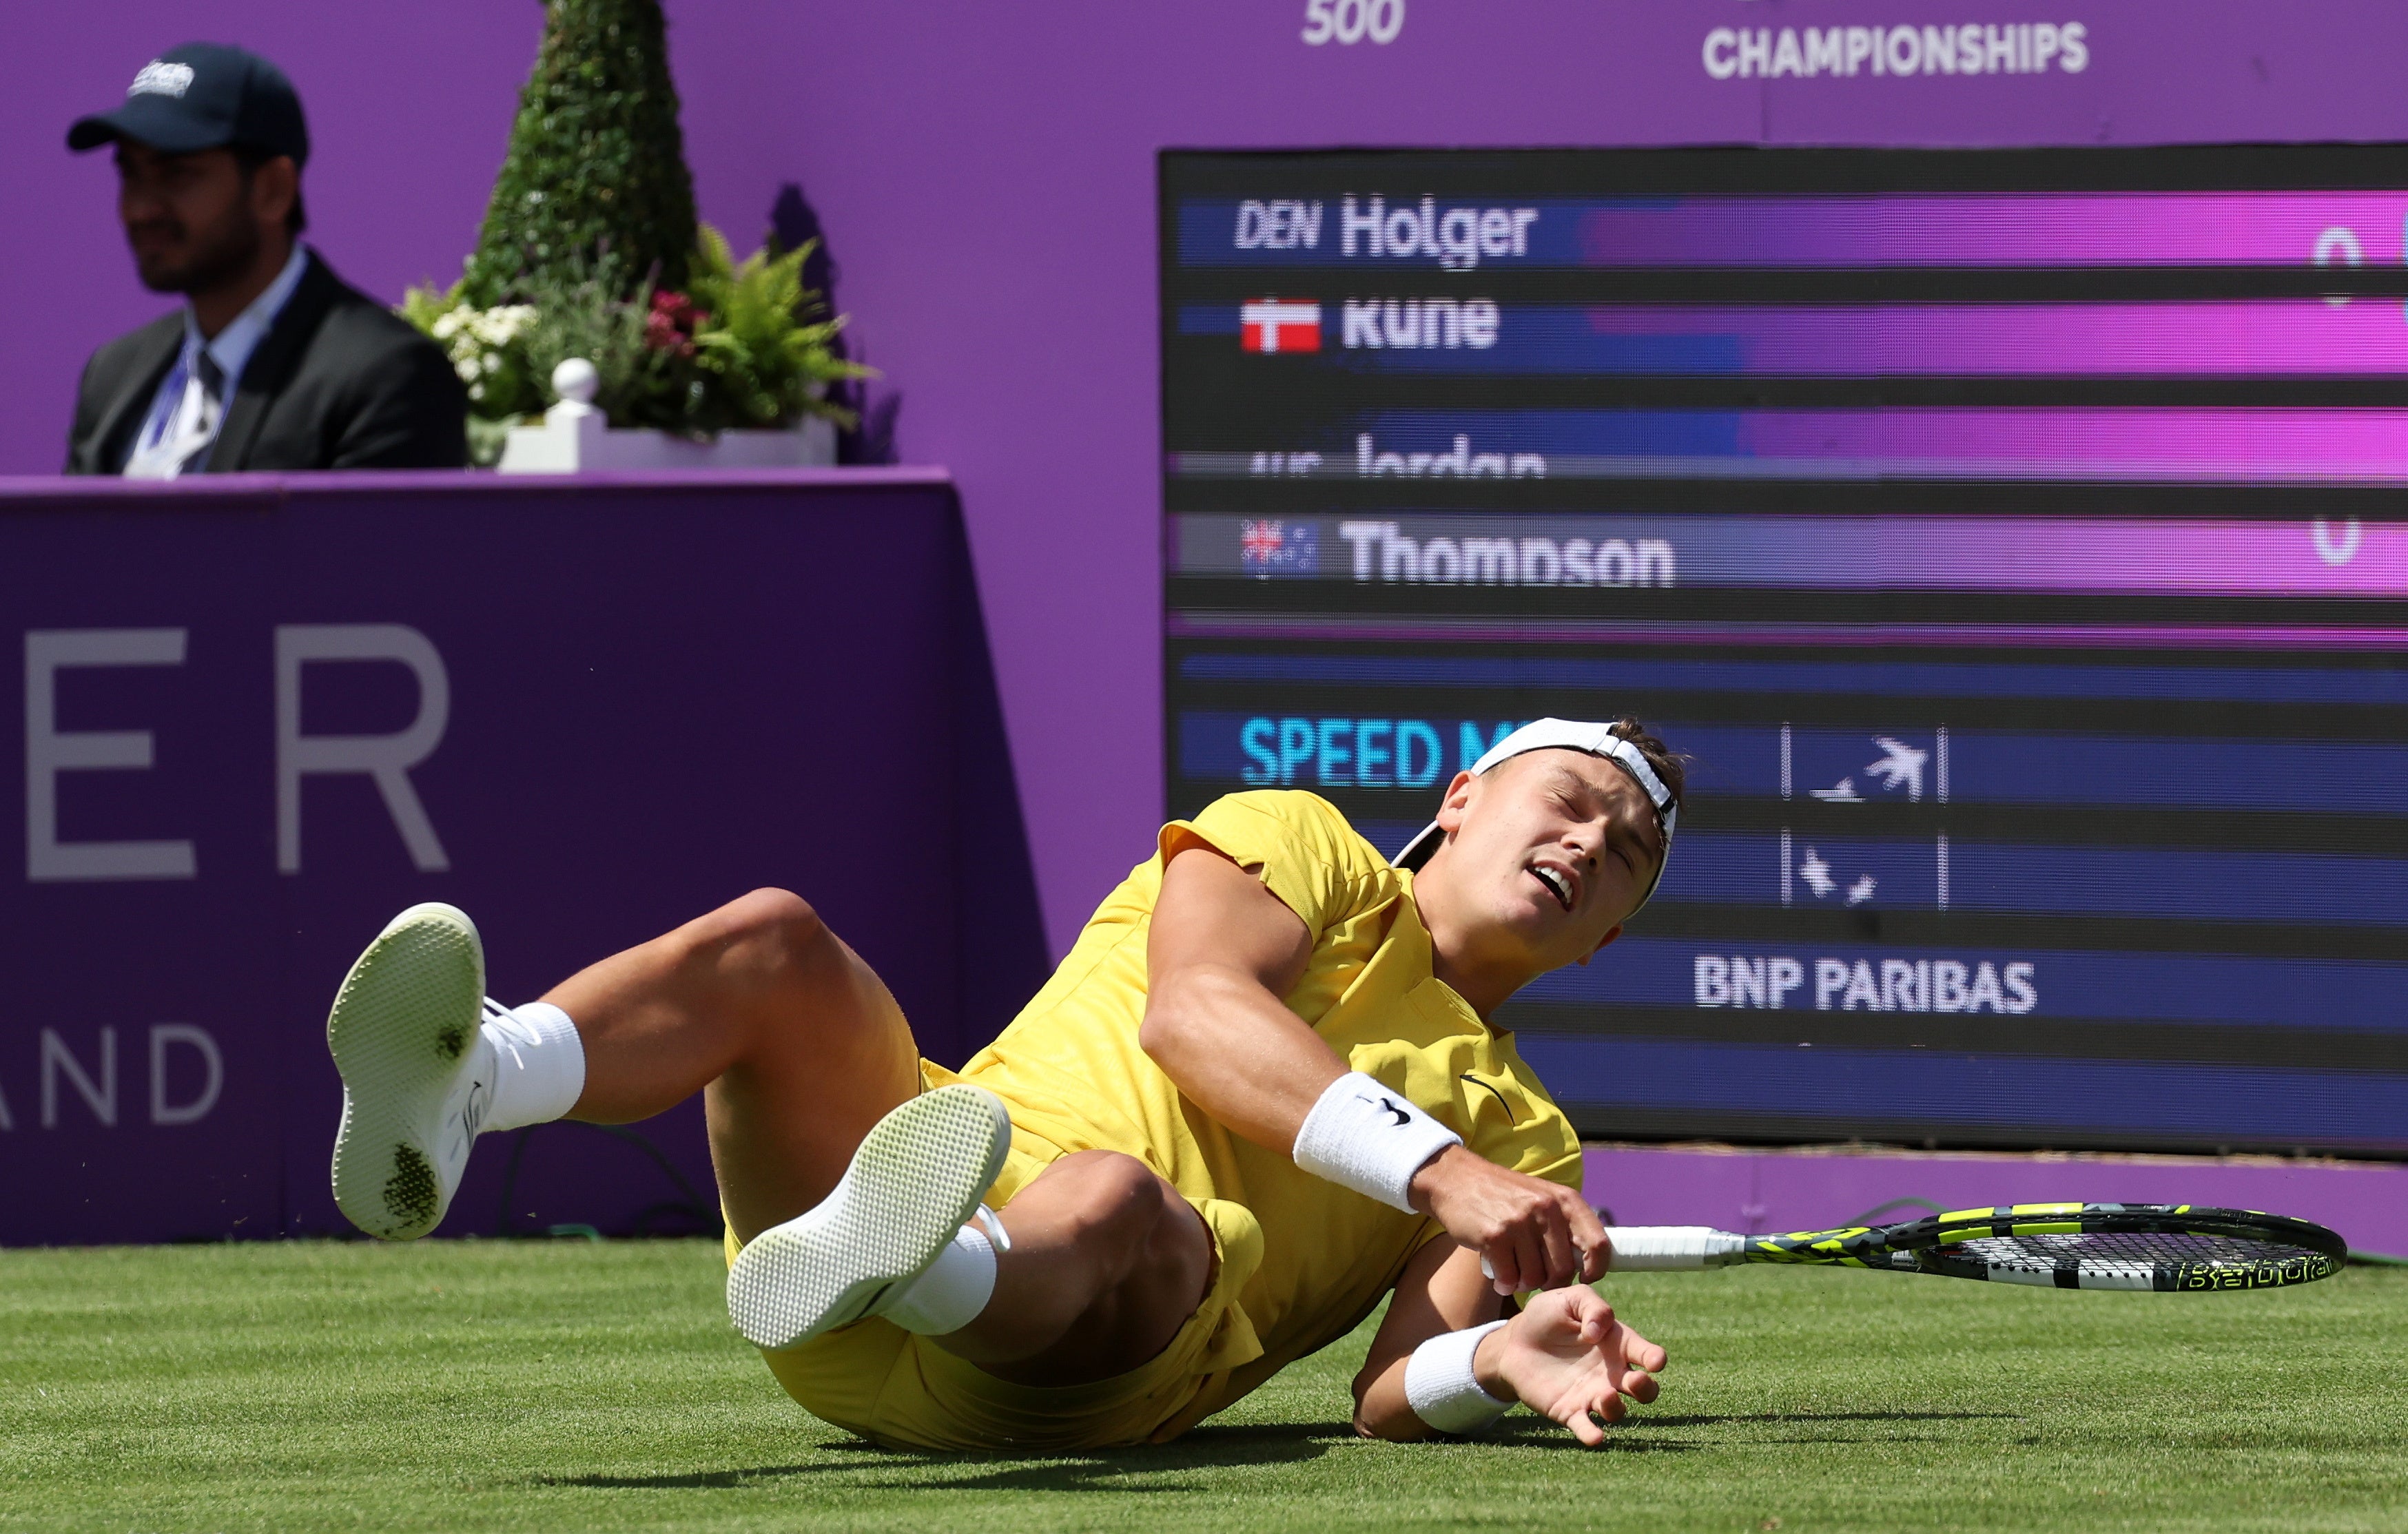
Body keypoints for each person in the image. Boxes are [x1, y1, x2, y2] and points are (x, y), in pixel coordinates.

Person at [325, 717, 1682, 1449]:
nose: (1585, 839)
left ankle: (933, 1256)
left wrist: (1493, 1356)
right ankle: (475, 1086)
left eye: (1621, 851)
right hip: (855, 1233)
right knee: (777, 945)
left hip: (1081, 1355)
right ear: (1458, 796)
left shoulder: (1526, 1142)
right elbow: (1195, 1016)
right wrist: (1437, 1173)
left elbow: (1389, 1393)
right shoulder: (1301, 843)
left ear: (1608, 933)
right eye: (1563, 796)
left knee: (1108, 1198)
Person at [63, 43, 467, 476]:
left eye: (176, 173)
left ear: (273, 189)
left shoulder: (385, 378)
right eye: (130, 173)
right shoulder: (113, 373)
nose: (141, 209)